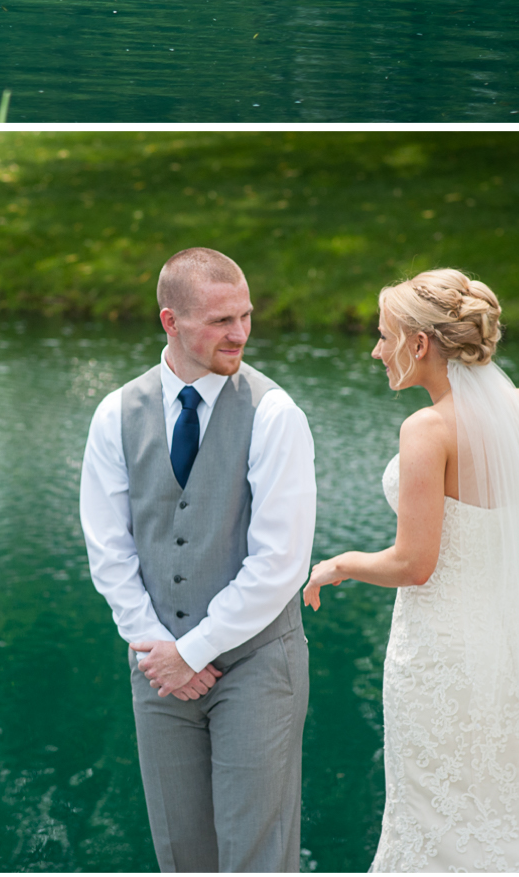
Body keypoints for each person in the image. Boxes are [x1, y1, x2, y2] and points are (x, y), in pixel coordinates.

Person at [304, 269, 519, 873]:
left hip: (439, 664)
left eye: (383, 336)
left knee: (437, 822)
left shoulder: (427, 429)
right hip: (518, 654)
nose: (376, 350)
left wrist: (338, 564)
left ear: (420, 344)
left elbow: (413, 564)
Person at [80, 247, 316, 872]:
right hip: (156, 666)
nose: (239, 333)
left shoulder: (274, 414)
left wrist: (194, 650)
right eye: (219, 320)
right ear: (171, 322)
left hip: (258, 667)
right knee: (182, 856)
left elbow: (280, 563)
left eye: (245, 315)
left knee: (254, 859)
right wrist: (158, 648)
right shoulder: (114, 415)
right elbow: (108, 548)